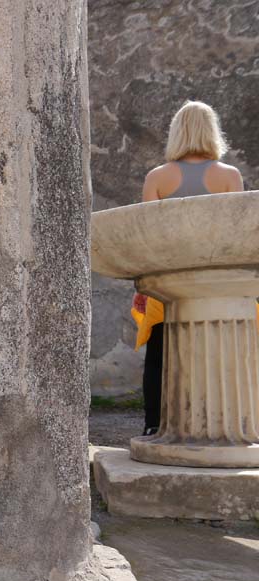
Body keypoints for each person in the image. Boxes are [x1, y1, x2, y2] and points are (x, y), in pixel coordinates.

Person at [133, 101, 244, 435]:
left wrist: (139, 287)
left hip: (167, 282)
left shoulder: (157, 177)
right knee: (222, 358)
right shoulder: (229, 176)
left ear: (176, 132)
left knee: (158, 357)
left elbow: (147, 237)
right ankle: (222, 423)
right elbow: (234, 237)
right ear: (213, 131)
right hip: (214, 281)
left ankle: (154, 424)